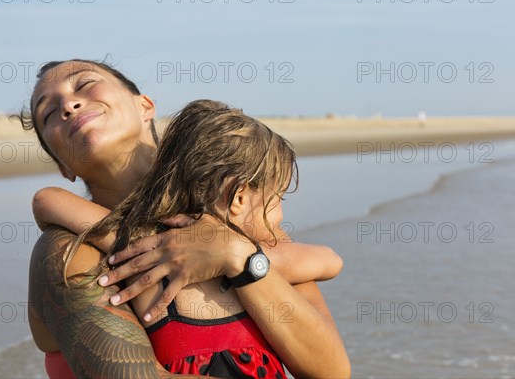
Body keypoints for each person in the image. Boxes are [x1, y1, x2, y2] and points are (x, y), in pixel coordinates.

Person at [24, 59, 351, 378]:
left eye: (84, 84)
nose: (68, 105)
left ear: (145, 106)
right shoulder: (68, 252)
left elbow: (331, 371)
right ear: (63, 168)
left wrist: (234, 254)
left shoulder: (238, 219)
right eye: (50, 112)